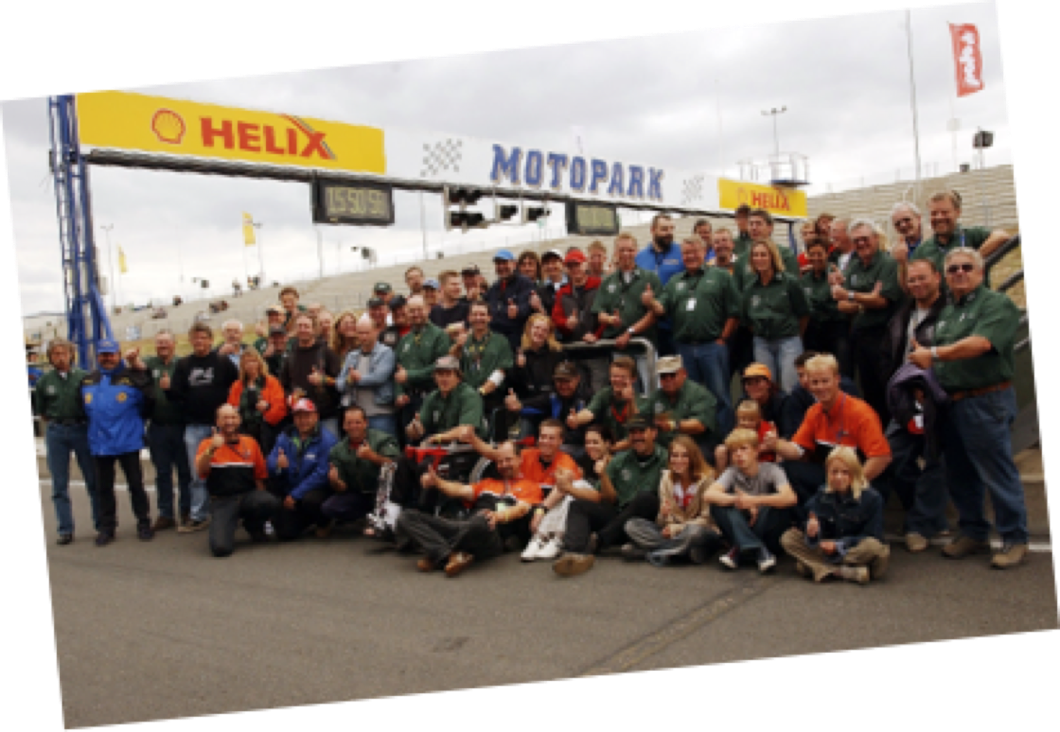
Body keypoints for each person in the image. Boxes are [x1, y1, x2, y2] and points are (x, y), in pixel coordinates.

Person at [907, 247, 1029, 568]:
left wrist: (934, 355)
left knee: (996, 472)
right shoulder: (948, 311)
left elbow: (981, 344)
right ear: (945, 277)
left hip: (986, 400)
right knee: (959, 473)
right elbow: (942, 357)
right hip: (952, 401)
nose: (959, 272)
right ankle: (973, 532)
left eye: (966, 267)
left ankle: (1014, 537)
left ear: (980, 271)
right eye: (953, 269)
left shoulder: (996, 304)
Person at [875, 258, 951, 551]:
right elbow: (887, 356)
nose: (917, 284)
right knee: (888, 456)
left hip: (937, 401)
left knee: (936, 462)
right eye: (912, 279)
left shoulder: (949, 313)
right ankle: (928, 515)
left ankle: (918, 525)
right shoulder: (901, 314)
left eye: (922, 278)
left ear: (937, 277)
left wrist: (927, 388)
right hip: (904, 402)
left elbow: (953, 357)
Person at [397, 441, 543, 576]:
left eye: (508, 460)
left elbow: (521, 509)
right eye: (500, 461)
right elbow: (460, 490)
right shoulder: (487, 483)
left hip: (491, 534)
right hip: (464, 526)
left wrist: (497, 516)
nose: (504, 465)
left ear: (519, 459)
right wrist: (437, 482)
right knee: (406, 517)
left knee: (482, 519)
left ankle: (437, 554)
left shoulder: (530, 487)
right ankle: (449, 555)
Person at [644, 236, 740, 434]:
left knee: (719, 395)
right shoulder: (675, 281)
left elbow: (735, 311)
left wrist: (723, 338)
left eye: (694, 252)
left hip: (712, 346)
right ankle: (693, 441)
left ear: (704, 252)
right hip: (684, 348)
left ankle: (723, 439)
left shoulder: (721, 276)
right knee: (688, 398)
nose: (690, 256)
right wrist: (651, 302)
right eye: (686, 253)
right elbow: (662, 309)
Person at [773, 354, 892, 510]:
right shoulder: (813, 412)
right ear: (808, 384)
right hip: (832, 475)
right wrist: (775, 444)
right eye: (815, 382)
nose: (820, 387)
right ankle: (811, 516)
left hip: (863, 478)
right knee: (786, 468)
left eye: (825, 381)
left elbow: (881, 458)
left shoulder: (861, 412)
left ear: (837, 379)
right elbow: (797, 450)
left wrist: (851, 484)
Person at [553, 415, 667, 577]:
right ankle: (574, 554)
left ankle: (598, 540)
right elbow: (604, 498)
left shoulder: (666, 459)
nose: (637, 436)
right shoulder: (619, 461)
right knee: (577, 506)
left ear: (653, 433)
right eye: (632, 433)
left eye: (641, 431)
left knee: (645, 498)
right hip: (618, 518)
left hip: (646, 523)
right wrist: (601, 477)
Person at [81, 340, 156, 546]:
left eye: (111, 354)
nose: (107, 358)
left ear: (118, 355)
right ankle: (107, 527)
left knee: (136, 485)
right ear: (98, 356)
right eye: (103, 354)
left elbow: (149, 403)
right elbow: (83, 411)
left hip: (127, 442)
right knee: (104, 488)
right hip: (100, 444)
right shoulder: (88, 380)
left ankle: (143, 523)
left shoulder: (132, 378)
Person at [168, 322, 240, 533]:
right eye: (195, 338)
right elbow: (177, 394)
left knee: (227, 470)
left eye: (203, 337)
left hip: (222, 426)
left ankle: (231, 513)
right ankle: (199, 515)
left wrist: (231, 417)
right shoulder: (183, 364)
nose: (199, 341)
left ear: (210, 340)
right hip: (194, 426)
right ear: (190, 341)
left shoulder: (223, 361)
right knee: (197, 472)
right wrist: (167, 390)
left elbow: (237, 386)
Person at [780, 447, 890, 584]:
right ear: (827, 473)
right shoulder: (823, 493)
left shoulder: (872, 498)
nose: (839, 477)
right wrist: (812, 531)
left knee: (875, 548)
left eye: (845, 472)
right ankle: (842, 572)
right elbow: (812, 522)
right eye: (834, 472)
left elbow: (873, 536)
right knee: (788, 538)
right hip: (827, 547)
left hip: (853, 548)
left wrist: (838, 545)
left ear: (855, 472)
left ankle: (819, 567)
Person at [831, 220, 903, 424]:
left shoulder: (888, 264)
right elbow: (841, 305)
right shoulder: (854, 266)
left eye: (865, 239)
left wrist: (852, 296)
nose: (861, 243)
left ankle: (891, 435)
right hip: (860, 336)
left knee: (887, 388)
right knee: (868, 390)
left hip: (883, 336)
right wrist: (865, 300)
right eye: (857, 240)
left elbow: (882, 301)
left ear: (876, 238)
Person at [705, 428, 797, 572]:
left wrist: (754, 501)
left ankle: (739, 549)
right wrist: (739, 500)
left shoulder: (772, 470)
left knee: (774, 503)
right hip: (743, 521)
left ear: (756, 451)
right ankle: (759, 549)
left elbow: (790, 498)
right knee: (719, 505)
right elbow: (709, 494)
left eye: (743, 449)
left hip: (766, 530)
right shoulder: (731, 472)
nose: (739, 454)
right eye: (734, 451)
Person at [36, 337, 100, 544]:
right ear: (50, 357)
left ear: (71, 355)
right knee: (59, 484)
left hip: (81, 429)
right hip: (56, 432)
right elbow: (42, 411)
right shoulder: (44, 381)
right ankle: (65, 529)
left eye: (64, 353)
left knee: (93, 479)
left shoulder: (83, 377)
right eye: (56, 354)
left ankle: (101, 525)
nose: (60, 357)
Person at [623, 435, 722, 566]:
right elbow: (662, 522)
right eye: (675, 456)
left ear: (693, 457)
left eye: (684, 456)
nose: (679, 460)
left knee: (694, 532)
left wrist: (676, 529)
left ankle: (650, 553)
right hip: (675, 534)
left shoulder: (706, 479)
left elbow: (706, 519)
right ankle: (681, 553)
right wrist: (663, 515)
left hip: (701, 530)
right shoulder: (666, 479)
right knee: (631, 525)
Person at [194, 405, 279, 557]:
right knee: (221, 549)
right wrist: (212, 449)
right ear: (217, 421)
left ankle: (253, 525)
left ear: (239, 420)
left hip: (247, 497)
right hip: (223, 500)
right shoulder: (207, 444)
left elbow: (259, 476)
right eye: (225, 418)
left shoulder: (250, 442)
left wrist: (262, 509)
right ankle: (228, 524)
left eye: (233, 417)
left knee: (270, 501)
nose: (229, 421)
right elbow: (201, 470)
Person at [521, 422, 610, 561]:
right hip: (569, 508)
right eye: (587, 442)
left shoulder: (613, 463)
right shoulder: (583, 460)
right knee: (567, 493)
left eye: (595, 442)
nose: (590, 446)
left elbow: (604, 498)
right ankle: (539, 539)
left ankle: (556, 538)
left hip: (601, 512)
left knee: (572, 490)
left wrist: (541, 509)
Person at [593, 232, 662, 391]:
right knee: (624, 391)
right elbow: (599, 313)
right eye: (622, 250)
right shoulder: (607, 281)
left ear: (636, 251)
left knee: (652, 391)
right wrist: (610, 320)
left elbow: (654, 315)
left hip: (645, 347)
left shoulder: (649, 278)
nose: (626, 254)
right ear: (615, 253)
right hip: (620, 349)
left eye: (630, 250)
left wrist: (629, 332)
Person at [740, 239, 810, 394]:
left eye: (763, 255)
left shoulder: (789, 282)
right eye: (755, 255)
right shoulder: (750, 288)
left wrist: (796, 334)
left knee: (790, 387)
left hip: (788, 340)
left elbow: (803, 313)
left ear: (772, 257)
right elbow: (747, 320)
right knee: (766, 388)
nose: (759, 259)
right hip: (762, 343)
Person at [267, 398, 339, 540]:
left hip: (315, 491)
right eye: (298, 416)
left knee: (311, 500)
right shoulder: (284, 436)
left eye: (307, 416)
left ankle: (324, 522)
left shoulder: (327, 440)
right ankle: (305, 520)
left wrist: (295, 495)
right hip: (290, 490)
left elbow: (322, 474)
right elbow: (270, 461)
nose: (302, 420)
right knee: (285, 533)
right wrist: (277, 465)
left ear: (316, 416)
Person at [910, 190, 1010, 290]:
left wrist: (974, 258)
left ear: (957, 212)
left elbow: (1001, 236)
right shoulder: (923, 250)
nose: (939, 217)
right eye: (934, 213)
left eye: (945, 212)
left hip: (976, 298)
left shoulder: (970, 235)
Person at [142, 331, 191, 532]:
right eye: (159, 342)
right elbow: (135, 366)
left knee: (185, 472)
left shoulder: (183, 364)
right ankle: (165, 513)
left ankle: (186, 510)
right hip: (158, 426)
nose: (163, 345)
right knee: (162, 472)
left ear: (174, 343)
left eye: (166, 342)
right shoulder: (149, 364)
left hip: (181, 426)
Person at [323, 406, 401, 530]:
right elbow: (342, 488)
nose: (353, 426)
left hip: (383, 492)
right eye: (349, 423)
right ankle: (364, 518)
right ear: (344, 426)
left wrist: (372, 456)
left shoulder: (384, 439)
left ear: (366, 423)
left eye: (357, 422)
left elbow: (395, 465)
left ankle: (381, 519)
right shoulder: (337, 450)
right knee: (329, 507)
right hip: (358, 494)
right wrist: (335, 481)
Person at [393, 296, 450, 441]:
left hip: (431, 399)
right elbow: (398, 370)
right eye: (412, 311)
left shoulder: (440, 336)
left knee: (430, 443)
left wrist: (410, 375)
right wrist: (399, 393)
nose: (416, 314)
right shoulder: (404, 340)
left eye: (419, 310)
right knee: (410, 446)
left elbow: (440, 367)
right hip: (409, 402)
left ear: (428, 309)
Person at [507, 360, 591, 457]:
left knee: (549, 450)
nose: (563, 386)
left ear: (577, 379)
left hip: (578, 445)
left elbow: (585, 434)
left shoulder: (587, 399)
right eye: (559, 381)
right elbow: (532, 404)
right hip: (555, 442)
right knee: (526, 422)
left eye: (567, 381)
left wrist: (554, 440)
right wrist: (517, 405)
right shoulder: (553, 396)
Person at [278, 312, 342, 438]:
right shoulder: (290, 355)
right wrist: (290, 396)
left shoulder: (326, 352)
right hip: (300, 417)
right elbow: (283, 384)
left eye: (306, 326)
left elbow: (340, 382)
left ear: (314, 329)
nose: (303, 330)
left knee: (331, 449)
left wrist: (324, 380)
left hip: (326, 415)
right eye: (299, 326)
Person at [452, 299, 513, 428]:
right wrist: (457, 347)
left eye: (482, 314)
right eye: (475, 314)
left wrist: (481, 391)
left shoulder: (500, 341)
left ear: (489, 317)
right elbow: (451, 365)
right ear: (469, 317)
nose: (478, 318)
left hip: (491, 398)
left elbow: (501, 371)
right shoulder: (464, 340)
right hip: (465, 398)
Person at [552, 249, 607, 390]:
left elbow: (607, 313)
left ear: (585, 264)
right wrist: (566, 324)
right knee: (579, 391)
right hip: (575, 353)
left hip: (598, 351)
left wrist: (596, 336)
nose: (574, 269)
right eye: (570, 266)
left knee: (599, 390)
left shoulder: (599, 285)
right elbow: (556, 319)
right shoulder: (562, 292)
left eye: (577, 264)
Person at [567, 356, 646, 451]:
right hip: (608, 446)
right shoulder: (605, 393)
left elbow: (636, 431)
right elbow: (589, 412)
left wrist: (630, 401)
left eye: (622, 377)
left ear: (633, 379)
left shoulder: (641, 401)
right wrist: (576, 419)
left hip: (631, 450)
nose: (617, 380)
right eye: (614, 376)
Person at [643, 355, 718, 454]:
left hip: (694, 446)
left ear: (684, 373)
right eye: (663, 376)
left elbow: (700, 425)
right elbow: (641, 418)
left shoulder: (699, 394)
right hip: (663, 447)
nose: (668, 380)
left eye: (672, 375)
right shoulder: (656, 396)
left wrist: (672, 425)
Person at [336, 315, 396, 436]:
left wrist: (357, 379)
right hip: (357, 417)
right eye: (360, 333)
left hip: (380, 413)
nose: (363, 337)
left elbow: (379, 378)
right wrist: (348, 380)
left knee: (384, 445)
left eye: (367, 333)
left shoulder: (386, 352)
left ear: (375, 332)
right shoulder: (352, 356)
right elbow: (339, 383)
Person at [507, 314, 566, 436]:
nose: (540, 332)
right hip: (525, 408)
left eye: (544, 330)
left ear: (549, 334)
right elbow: (515, 386)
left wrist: (523, 404)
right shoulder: (519, 352)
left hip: (549, 406)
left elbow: (554, 391)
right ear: (529, 329)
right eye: (537, 328)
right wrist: (519, 368)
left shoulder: (557, 354)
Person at [406, 355, 486, 444]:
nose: (444, 379)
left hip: (469, 447)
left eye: (448, 374)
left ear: (458, 378)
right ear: (435, 378)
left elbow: (465, 431)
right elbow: (416, 432)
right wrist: (414, 428)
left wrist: (437, 438)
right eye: (440, 374)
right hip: (443, 446)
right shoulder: (432, 397)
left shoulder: (469, 395)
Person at [634, 213, 684, 356]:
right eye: (664, 229)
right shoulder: (640, 256)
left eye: (671, 229)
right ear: (652, 230)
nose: (669, 233)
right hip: (647, 326)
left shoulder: (681, 252)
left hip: (674, 325)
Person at [800, 237, 850, 371]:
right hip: (813, 333)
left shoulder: (837, 275)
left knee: (841, 371)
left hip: (836, 330)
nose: (816, 258)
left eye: (819, 254)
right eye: (812, 254)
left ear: (827, 254)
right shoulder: (804, 279)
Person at [227, 348, 287, 457]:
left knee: (266, 458)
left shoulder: (271, 382)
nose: (250, 365)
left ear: (259, 363)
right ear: (242, 365)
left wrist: (267, 407)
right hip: (243, 430)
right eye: (247, 362)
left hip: (266, 429)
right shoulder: (237, 385)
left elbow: (280, 408)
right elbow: (231, 409)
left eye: (253, 361)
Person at [484, 249, 534, 352]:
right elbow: (485, 307)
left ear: (514, 264)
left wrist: (518, 310)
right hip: (497, 341)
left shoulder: (525, 283)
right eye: (498, 264)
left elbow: (528, 306)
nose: (501, 266)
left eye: (504, 263)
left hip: (518, 341)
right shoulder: (494, 287)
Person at [715, 399, 777, 472]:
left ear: (759, 419)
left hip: (763, 461)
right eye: (743, 419)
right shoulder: (738, 429)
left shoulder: (765, 428)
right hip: (742, 460)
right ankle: (723, 475)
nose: (746, 423)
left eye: (751, 420)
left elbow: (772, 444)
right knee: (722, 450)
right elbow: (729, 443)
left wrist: (756, 449)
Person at [890, 201, 925, 294]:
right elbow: (902, 288)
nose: (903, 225)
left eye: (907, 220)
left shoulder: (934, 240)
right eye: (897, 223)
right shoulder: (894, 251)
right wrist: (902, 264)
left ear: (918, 218)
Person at [533, 248, 567, 322]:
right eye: (547, 263)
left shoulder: (573, 283)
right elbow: (545, 318)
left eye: (554, 262)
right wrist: (539, 308)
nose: (550, 266)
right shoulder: (540, 289)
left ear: (562, 263)